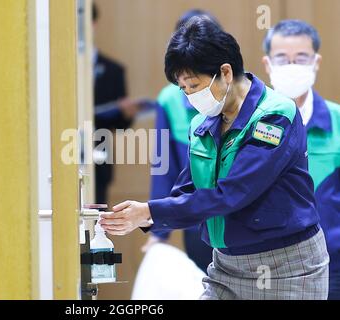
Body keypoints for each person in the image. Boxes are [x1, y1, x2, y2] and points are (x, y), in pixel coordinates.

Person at [100, 16, 330, 300]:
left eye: (194, 85)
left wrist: (149, 212)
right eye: (182, 89)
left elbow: (232, 193)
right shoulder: (203, 123)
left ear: (225, 72)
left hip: (285, 268)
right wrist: (142, 215)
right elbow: (192, 187)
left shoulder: (274, 116)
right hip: (225, 265)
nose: (189, 97)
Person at [262, 19, 340, 300]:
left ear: (316, 62)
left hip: (332, 266)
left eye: (301, 58)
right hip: (264, 268)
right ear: (268, 64)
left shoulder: (337, 121)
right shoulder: (247, 124)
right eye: (282, 58)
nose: (292, 66)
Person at [144, 9, 222, 272]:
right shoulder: (169, 100)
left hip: (242, 218)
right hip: (197, 220)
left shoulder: (242, 91)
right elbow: (163, 169)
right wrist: (159, 230)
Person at [92, 3, 141, 204]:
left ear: (93, 24)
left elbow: (121, 125)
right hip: (66, 146)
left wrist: (127, 114)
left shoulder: (114, 70)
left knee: (96, 217)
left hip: (99, 151)